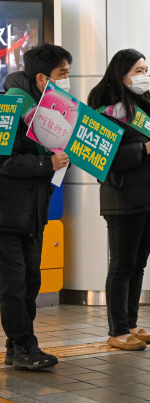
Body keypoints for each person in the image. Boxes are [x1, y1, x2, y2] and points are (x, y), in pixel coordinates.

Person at [88, 49, 150, 351]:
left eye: (146, 69)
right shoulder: (107, 111)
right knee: (121, 266)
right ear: (122, 76)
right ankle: (117, 331)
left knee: (138, 264)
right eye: (138, 70)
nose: (145, 76)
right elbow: (103, 157)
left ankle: (131, 323)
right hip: (123, 197)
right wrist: (146, 149)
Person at [0, 43, 72, 370]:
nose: (67, 80)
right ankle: (26, 346)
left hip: (33, 212)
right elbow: (6, 162)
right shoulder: (10, 107)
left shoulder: (52, 110)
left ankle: (17, 347)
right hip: (6, 214)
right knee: (13, 286)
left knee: (30, 282)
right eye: (63, 74)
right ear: (43, 78)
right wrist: (47, 163)